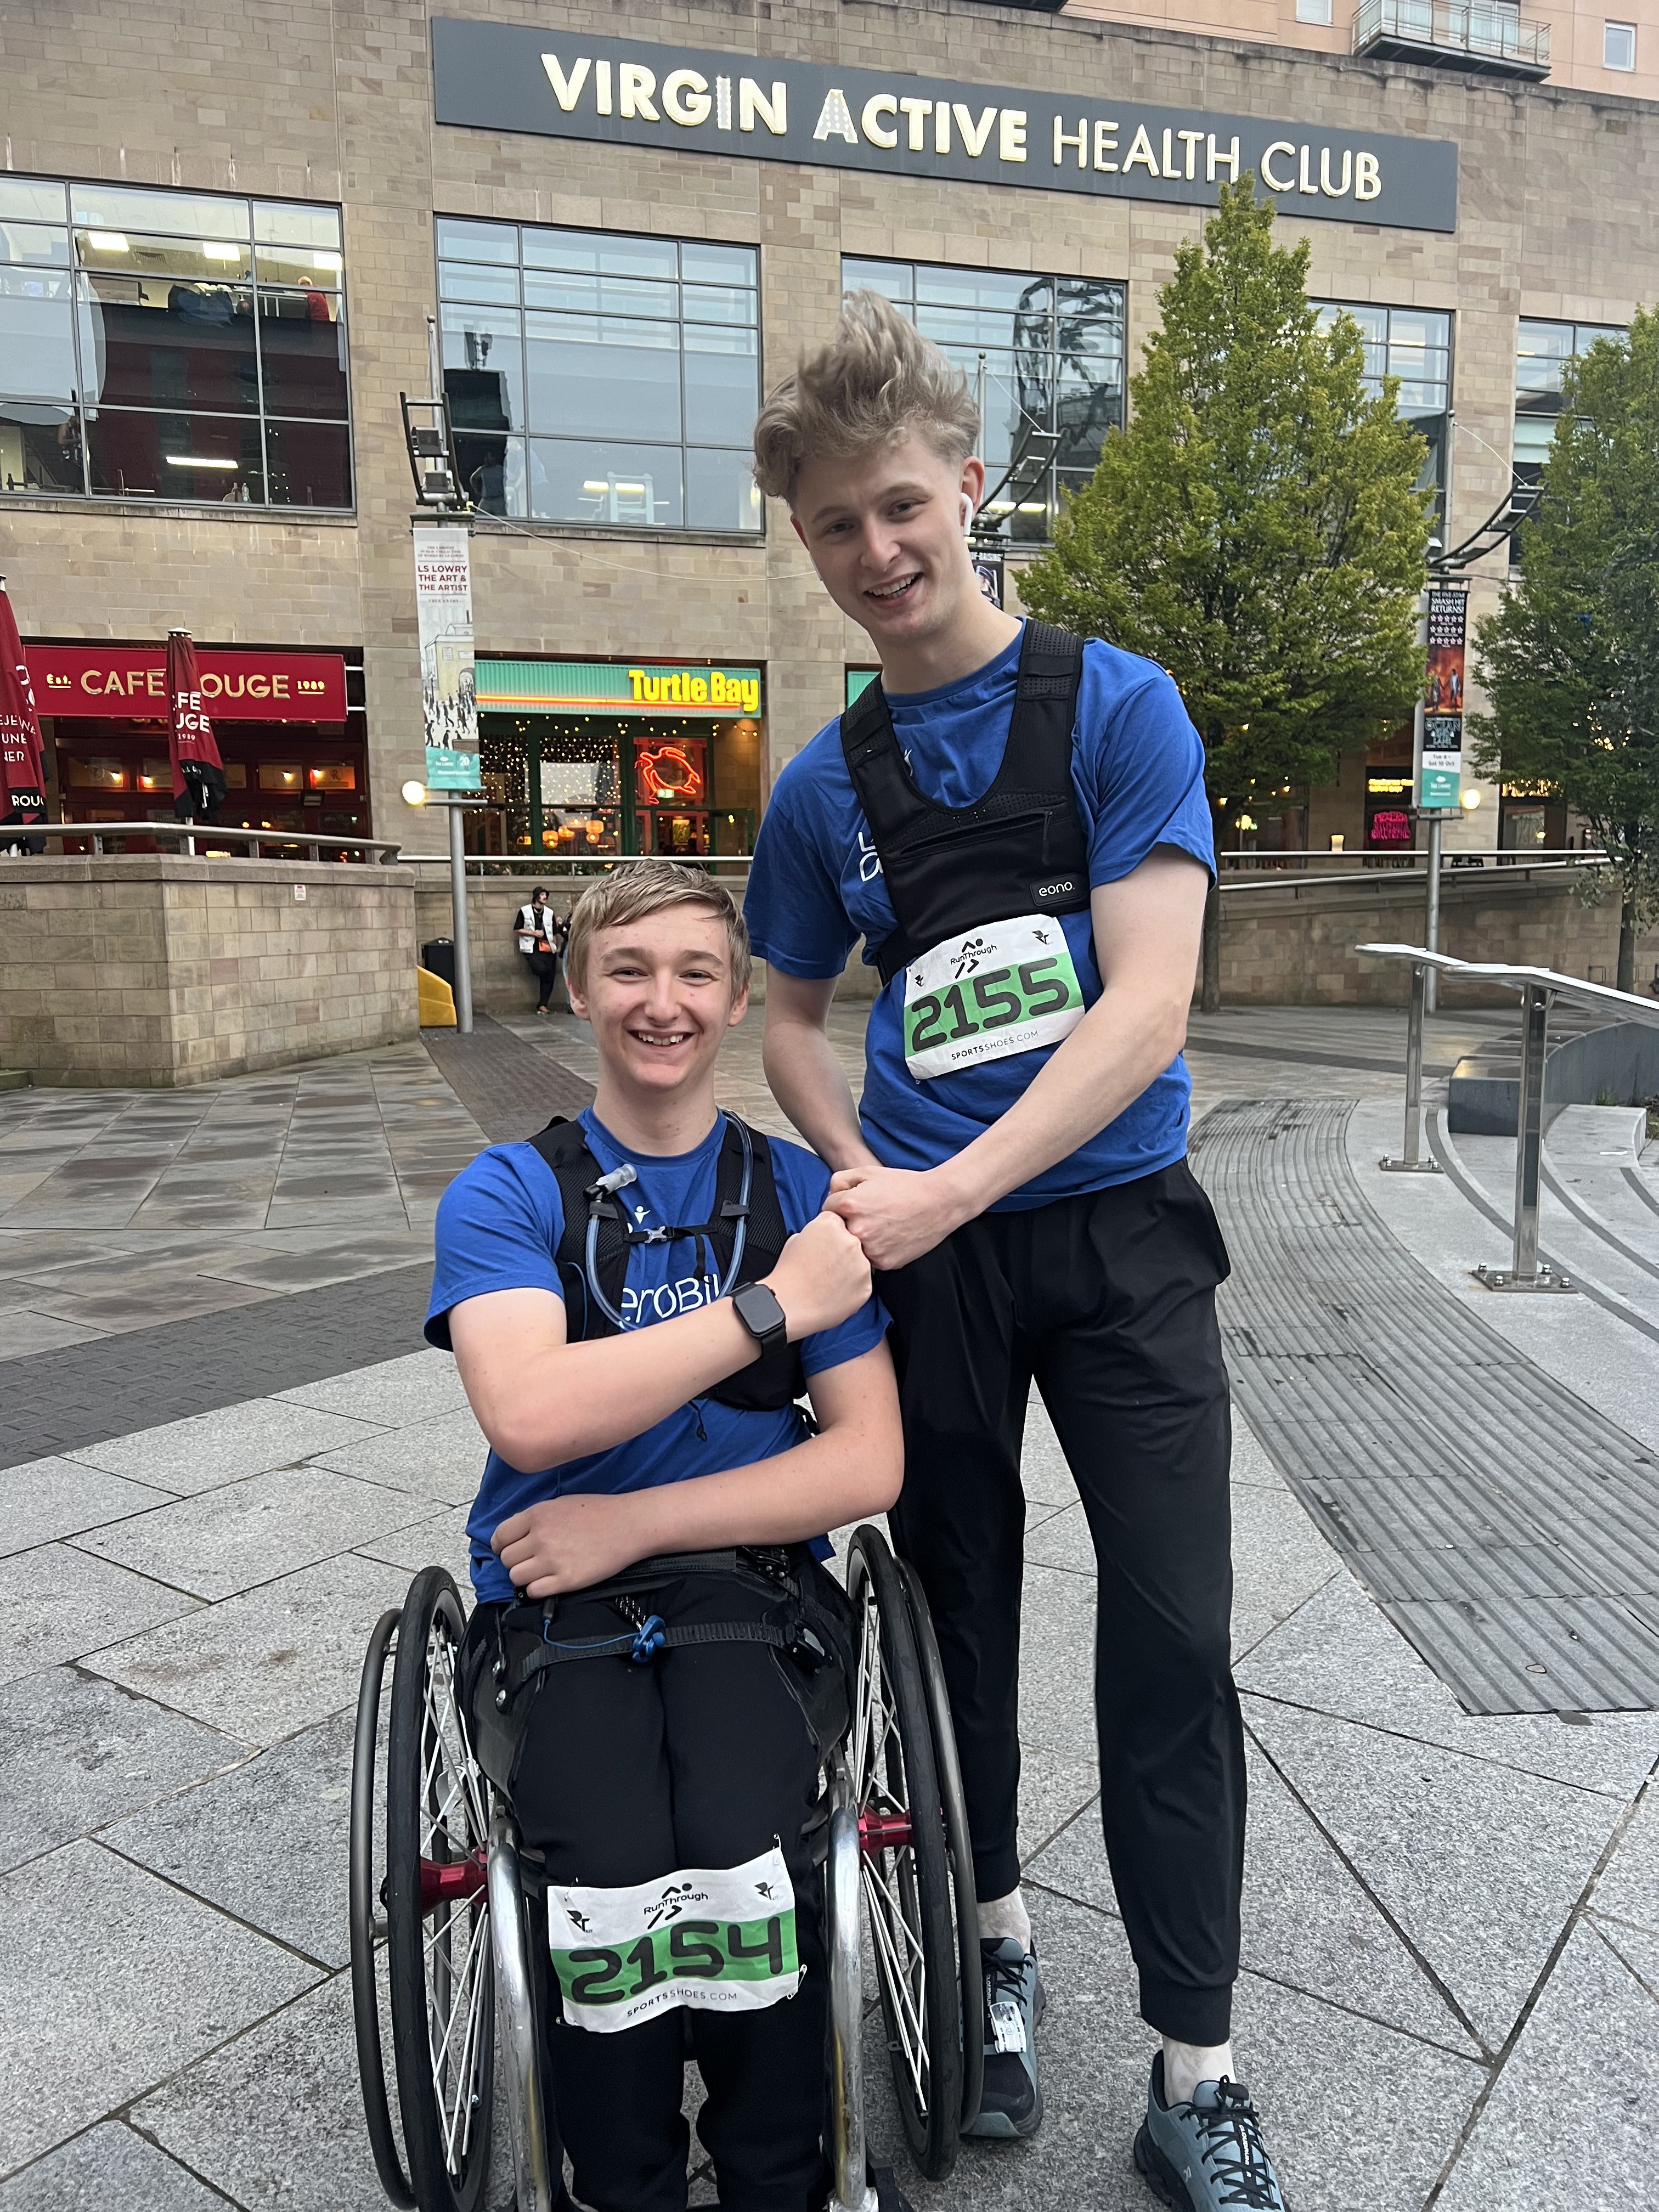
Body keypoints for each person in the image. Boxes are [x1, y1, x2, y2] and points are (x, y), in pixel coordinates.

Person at [742, 291, 1287, 2210]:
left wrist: (958, 1184)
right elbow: (791, 1011)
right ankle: (992, 1959)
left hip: (1119, 1238)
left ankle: (1196, 2065)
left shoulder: (1116, 704)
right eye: (833, 527)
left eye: (900, 506)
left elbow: (1146, 1007)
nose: (877, 553)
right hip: (936, 1269)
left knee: (1171, 1635)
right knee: (956, 1610)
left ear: (969, 485)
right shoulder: (820, 789)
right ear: (804, 545)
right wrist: (858, 1163)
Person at [426, 860, 901, 2212]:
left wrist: (632, 1516)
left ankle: (776, 2176)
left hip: (741, 1579)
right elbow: (528, 1414)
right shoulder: (510, 1193)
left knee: (750, 1828)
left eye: (696, 973)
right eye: (627, 971)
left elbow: (870, 1459)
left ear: (740, 998)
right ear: (577, 990)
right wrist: (769, 1311)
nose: (663, 1002)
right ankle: (619, 2182)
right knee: (607, 1842)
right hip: (551, 1602)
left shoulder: (799, 1190)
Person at [514, 883, 566, 1014]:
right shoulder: (525, 911)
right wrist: (533, 933)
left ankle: (543, 1005)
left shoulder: (549, 912)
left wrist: (555, 947)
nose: (545, 897)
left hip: (548, 948)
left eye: (546, 895)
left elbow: (554, 933)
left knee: (550, 976)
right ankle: (542, 1004)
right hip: (532, 948)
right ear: (536, 897)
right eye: (542, 895)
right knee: (540, 969)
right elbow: (517, 929)